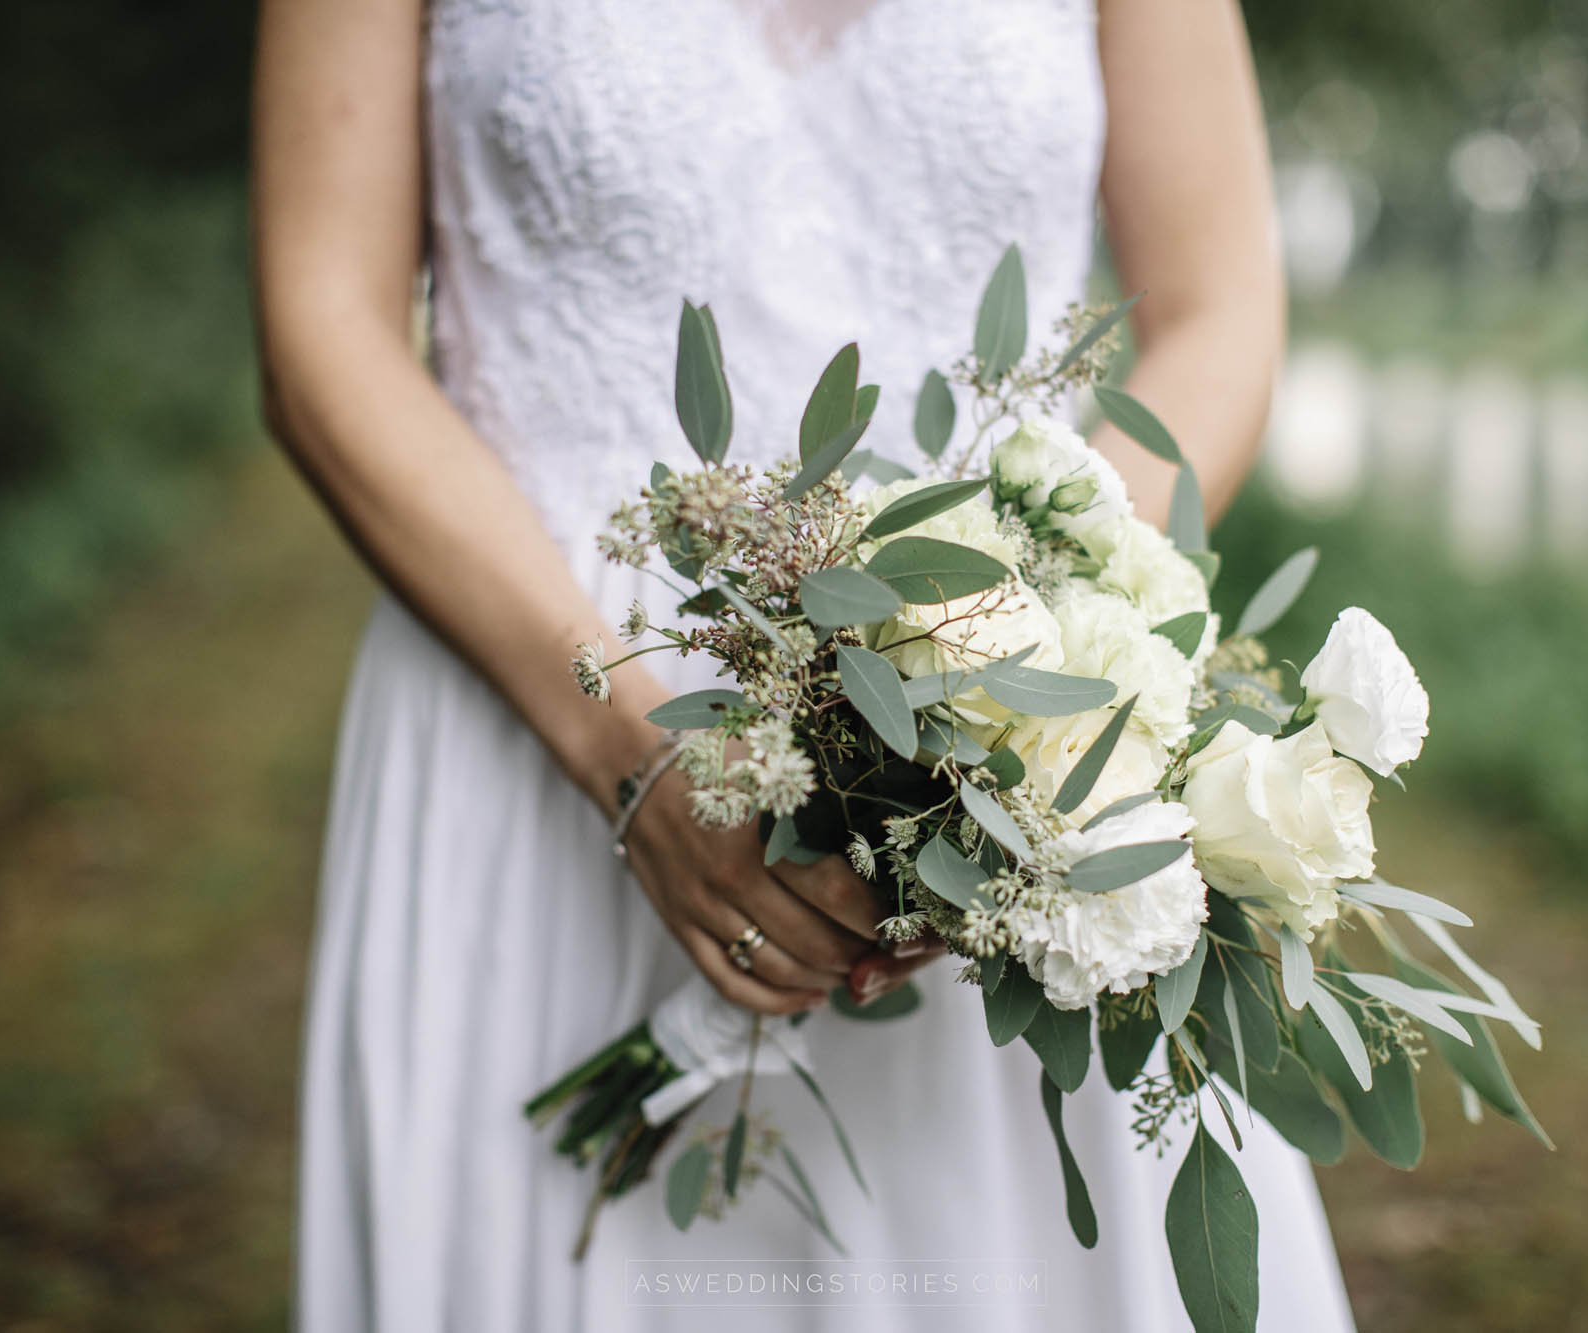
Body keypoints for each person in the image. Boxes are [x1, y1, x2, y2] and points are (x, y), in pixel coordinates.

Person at [251, 0, 1352, 1328]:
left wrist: (1007, 679)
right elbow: (324, 321)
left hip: (988, 714)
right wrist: (627, 753)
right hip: (535, 698)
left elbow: (1219, 305)